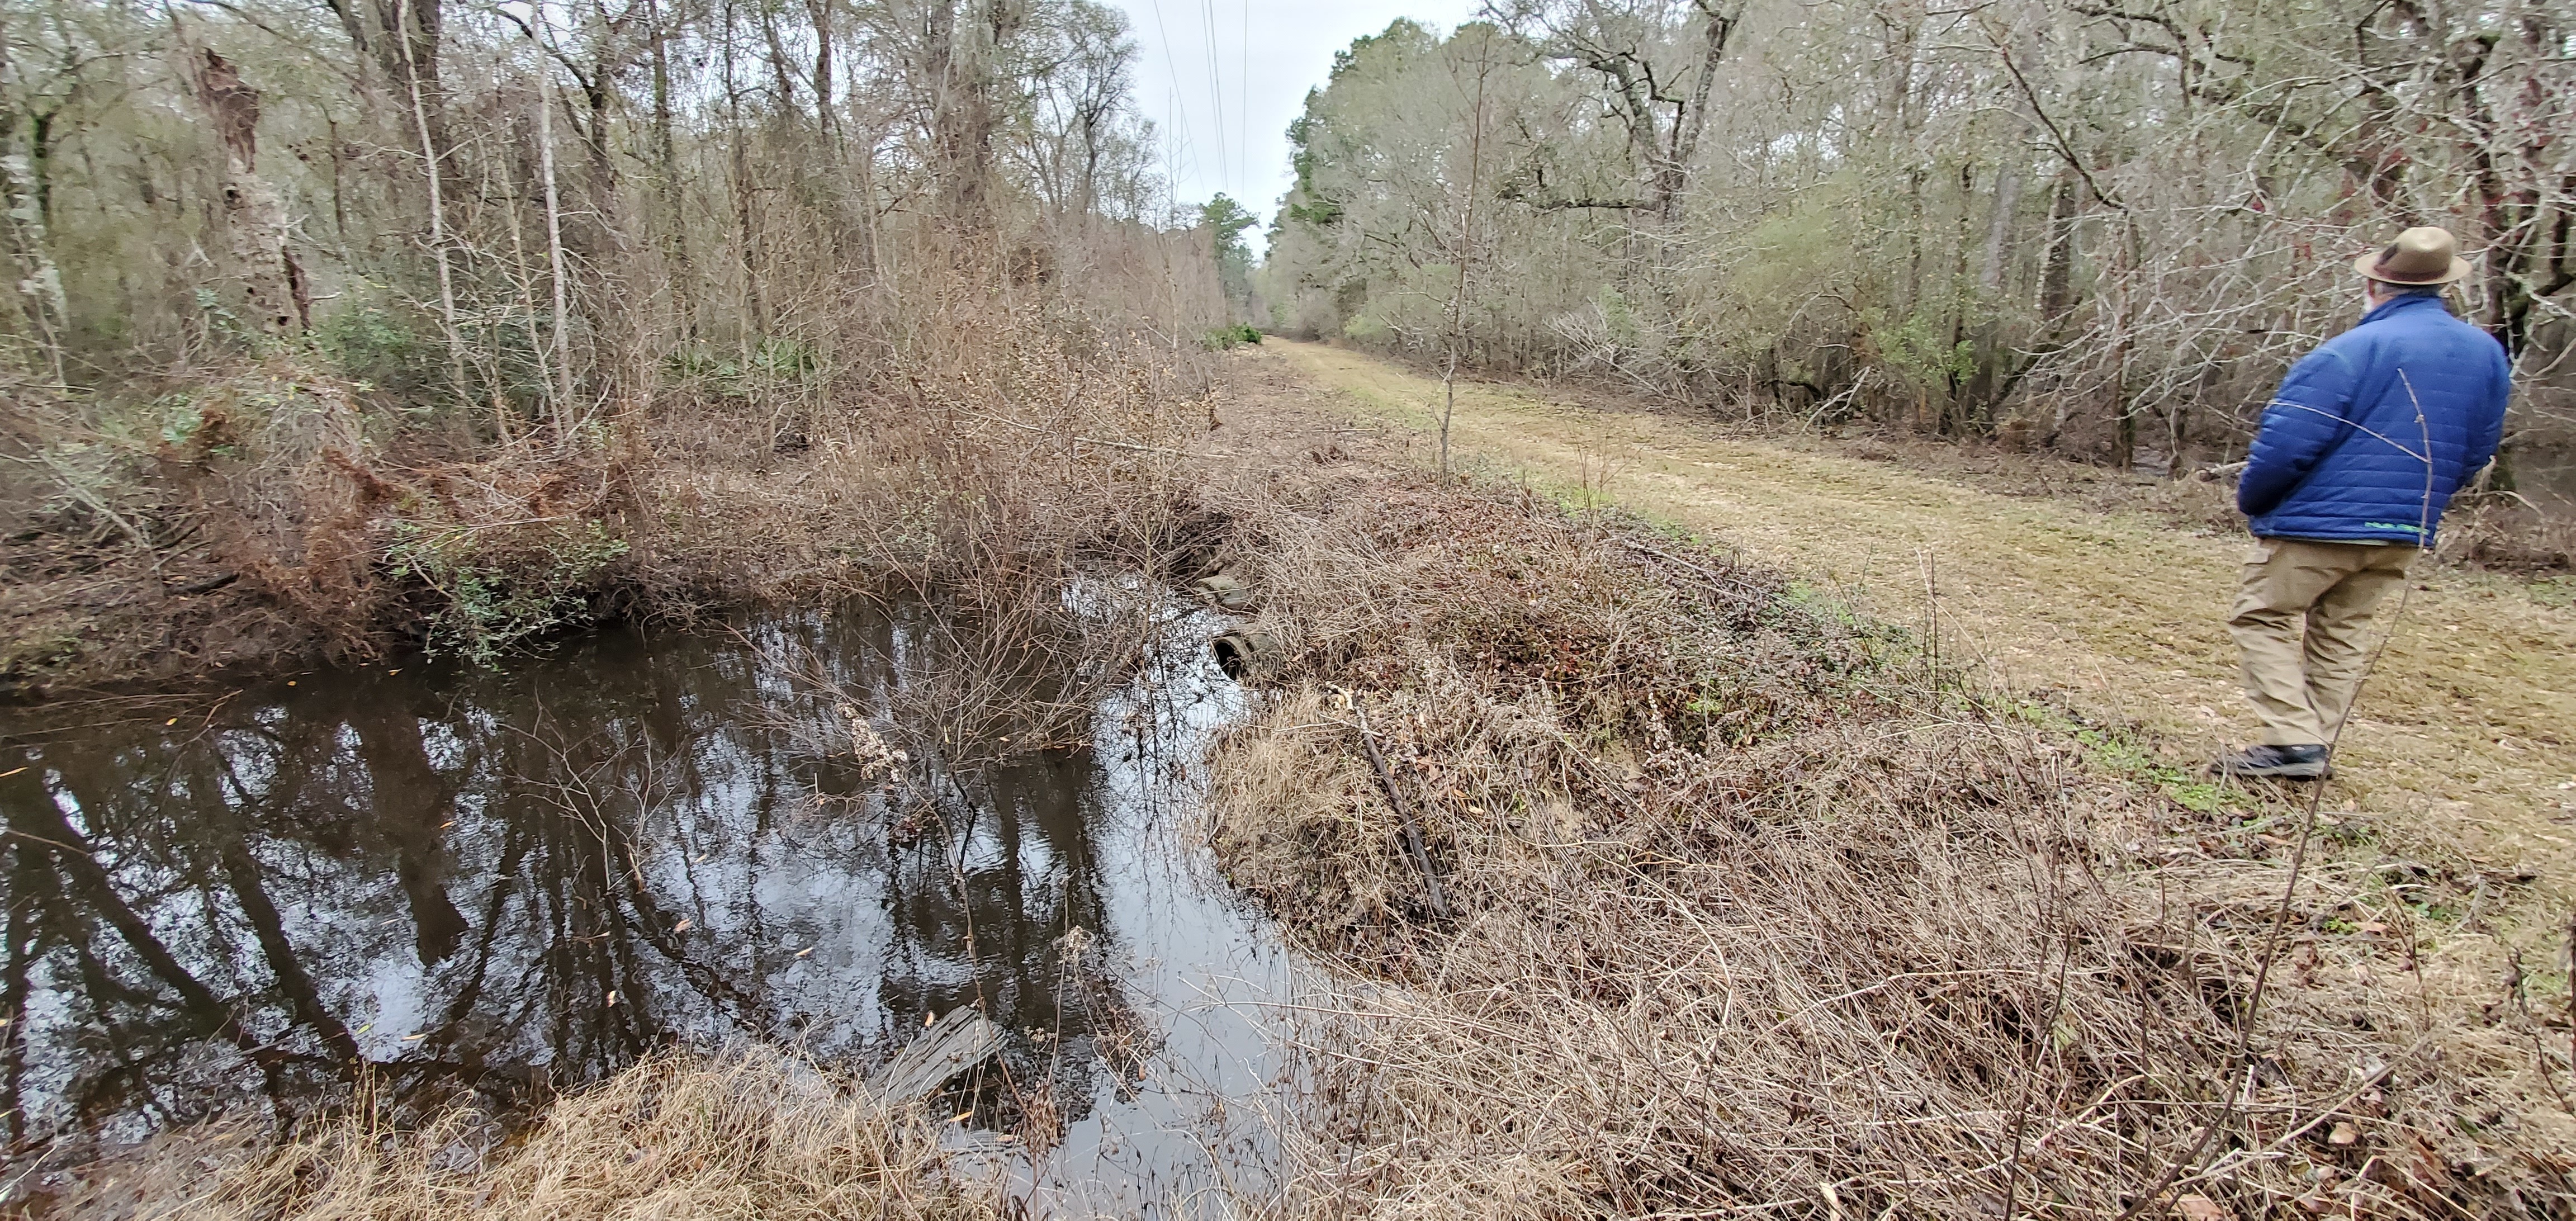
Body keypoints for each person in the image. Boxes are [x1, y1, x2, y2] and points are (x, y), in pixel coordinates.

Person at [2214, 226, 2511, 779]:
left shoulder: (2350, 351)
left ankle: (2292, 743)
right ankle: (2312, 745)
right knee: (2343, 630)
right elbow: (2478, 450)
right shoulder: (2486, 355)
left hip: (2319, 524)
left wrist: (2253, 500)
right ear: (2443, 287)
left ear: (2376, 285)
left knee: (2262, 617)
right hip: (2403, 528)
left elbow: (2288, 443)